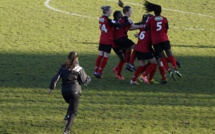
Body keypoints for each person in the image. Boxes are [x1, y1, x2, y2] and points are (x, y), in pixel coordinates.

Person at [49, 51, 91, 134]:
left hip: (64, 92)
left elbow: (56, 77)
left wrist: (51, 88)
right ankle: (66, 131)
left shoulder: (63, 67)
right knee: (74, 112)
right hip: (75, 91)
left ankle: (67, 116)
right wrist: (89, 78)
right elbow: (84, 81)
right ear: (77, 58)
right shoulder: (79, 68)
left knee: (71, 103)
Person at [144, 1, 182, 81]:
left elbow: (147, 28)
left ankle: (169, 71)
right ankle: (175, 68)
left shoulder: (151, 19)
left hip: (155, 41)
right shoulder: (164, 19)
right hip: (164, 39)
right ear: (161, 11)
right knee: (170, 54)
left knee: (162, 57)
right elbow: (166, 29)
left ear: (154, 12)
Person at [130, 14, 167, 85]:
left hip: (137, 49)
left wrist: (138, 35)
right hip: (144, 49)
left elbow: (134, 29)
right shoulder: (151, 29)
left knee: (141, 65)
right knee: (155, 62)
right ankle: (144, 75)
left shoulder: (142, 27)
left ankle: (133, 80)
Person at [94, 6, 129, 79]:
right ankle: (100, 72)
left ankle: (96, 70)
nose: (111, 12)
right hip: (108, 40)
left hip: (102, 39)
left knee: (100, 55)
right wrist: (127, 23)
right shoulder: (109, 21)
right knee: (105, 56)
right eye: (110, 10)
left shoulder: (101, 18)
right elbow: (119, 25)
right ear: (107, 11)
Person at [114, 1, 144, 76]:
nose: (132, 12)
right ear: (127, 11)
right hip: (122, 39)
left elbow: (129, 28)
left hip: (117, 40)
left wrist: (139, 25)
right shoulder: (128, 19)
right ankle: (130, 63)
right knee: (137, 48)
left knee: (128, 49)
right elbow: (133, 26)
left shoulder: (121, 19)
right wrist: (143, 26)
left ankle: (128, 63)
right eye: (131, 11)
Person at [112, 11, 126, 80]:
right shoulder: (113, 23)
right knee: (123, 58)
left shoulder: (120, 22)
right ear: (117, 16)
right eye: (120, 15)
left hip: (121, 42)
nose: (122, 16)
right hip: (115, 44)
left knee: (125, 57)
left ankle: (116, 69)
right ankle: (118, 74)